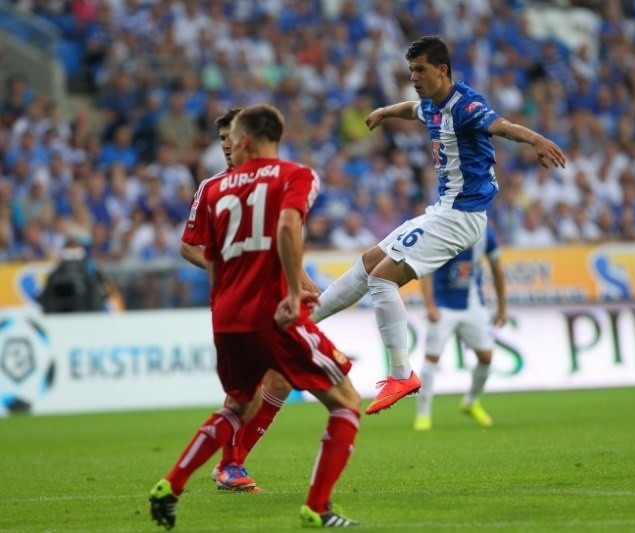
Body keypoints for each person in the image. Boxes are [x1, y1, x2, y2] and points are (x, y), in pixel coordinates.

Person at [310, 35, 566, 415]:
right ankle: (306, 320)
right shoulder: (431, 105)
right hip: (442, 211)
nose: (413, 76)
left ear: (442, 70)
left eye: (420, 70)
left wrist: (537, 140)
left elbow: (503, 125)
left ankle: (402, 374)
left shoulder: (466, 105)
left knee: (382, 279)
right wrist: (383, 111)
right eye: (410, 70)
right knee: (369, 262)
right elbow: (411, 108)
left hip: (462, 216)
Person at [149, 103, 361, 529]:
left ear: (244, 138)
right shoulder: (295, 175)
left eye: (230, 138)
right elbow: (285, 229)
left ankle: (171, 485)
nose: (226, 145)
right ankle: (317, 508)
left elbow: (221, 251)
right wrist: (289, 288)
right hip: (272, 312)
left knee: (237, 404)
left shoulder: (216, 190)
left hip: (227, 315)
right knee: (347, 403)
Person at [179, 107, 292, 493]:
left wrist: (304, 283)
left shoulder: (270, 183)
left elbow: (284, 241)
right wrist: (223, 266)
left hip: (273, 298)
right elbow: (188, 245)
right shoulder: (213, 187)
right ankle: (229, 465)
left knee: (281, 379)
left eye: (232, 137)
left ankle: (234, 462)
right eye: (222, 140)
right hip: (236, 298)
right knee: (248, 383)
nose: (227, 145)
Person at [414, 226, 506, 431]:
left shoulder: (486, 234)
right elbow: (425, 271)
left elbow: (497, 270)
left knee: (486, 358)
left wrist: (502, 307)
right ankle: (423, 414)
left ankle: (471, 401)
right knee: (432, 358)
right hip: (443, 305)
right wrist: (430, 305)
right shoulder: (441, 230)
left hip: (473, 304)